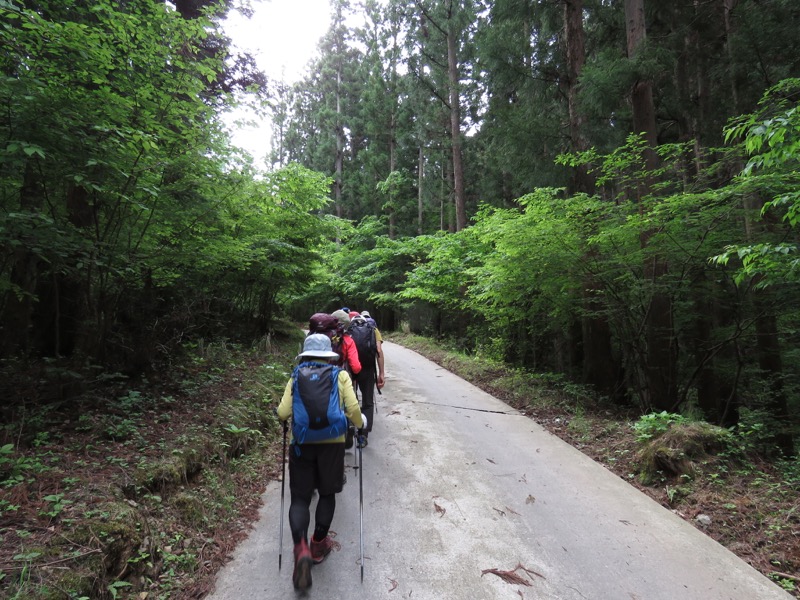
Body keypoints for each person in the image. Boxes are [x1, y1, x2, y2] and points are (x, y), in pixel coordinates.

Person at [277, 333, 366, 591]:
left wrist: (282, 416)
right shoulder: (340, 375)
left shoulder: (295, 376)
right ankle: (318, 544)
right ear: (329, 353)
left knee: (301, 499)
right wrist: (361, 425)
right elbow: (352, 408)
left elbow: (283, 412)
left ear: (305, 355)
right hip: (333, 445)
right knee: (327, 494)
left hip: (302, 445)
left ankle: (301, 549)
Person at [347, 312, 385, 447]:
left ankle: (350, 428)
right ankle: (363, 435)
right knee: (368, 402)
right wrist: (381, 373)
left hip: (351, 370)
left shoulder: (348, 329)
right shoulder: (373, 329)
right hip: (368, 369)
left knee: (351, 400)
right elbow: (379, 351)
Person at [309, 312, 361, 377]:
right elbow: (356, 368)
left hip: (312, 376)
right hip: (336, 377)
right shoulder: (348, 340)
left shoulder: (313, 336)